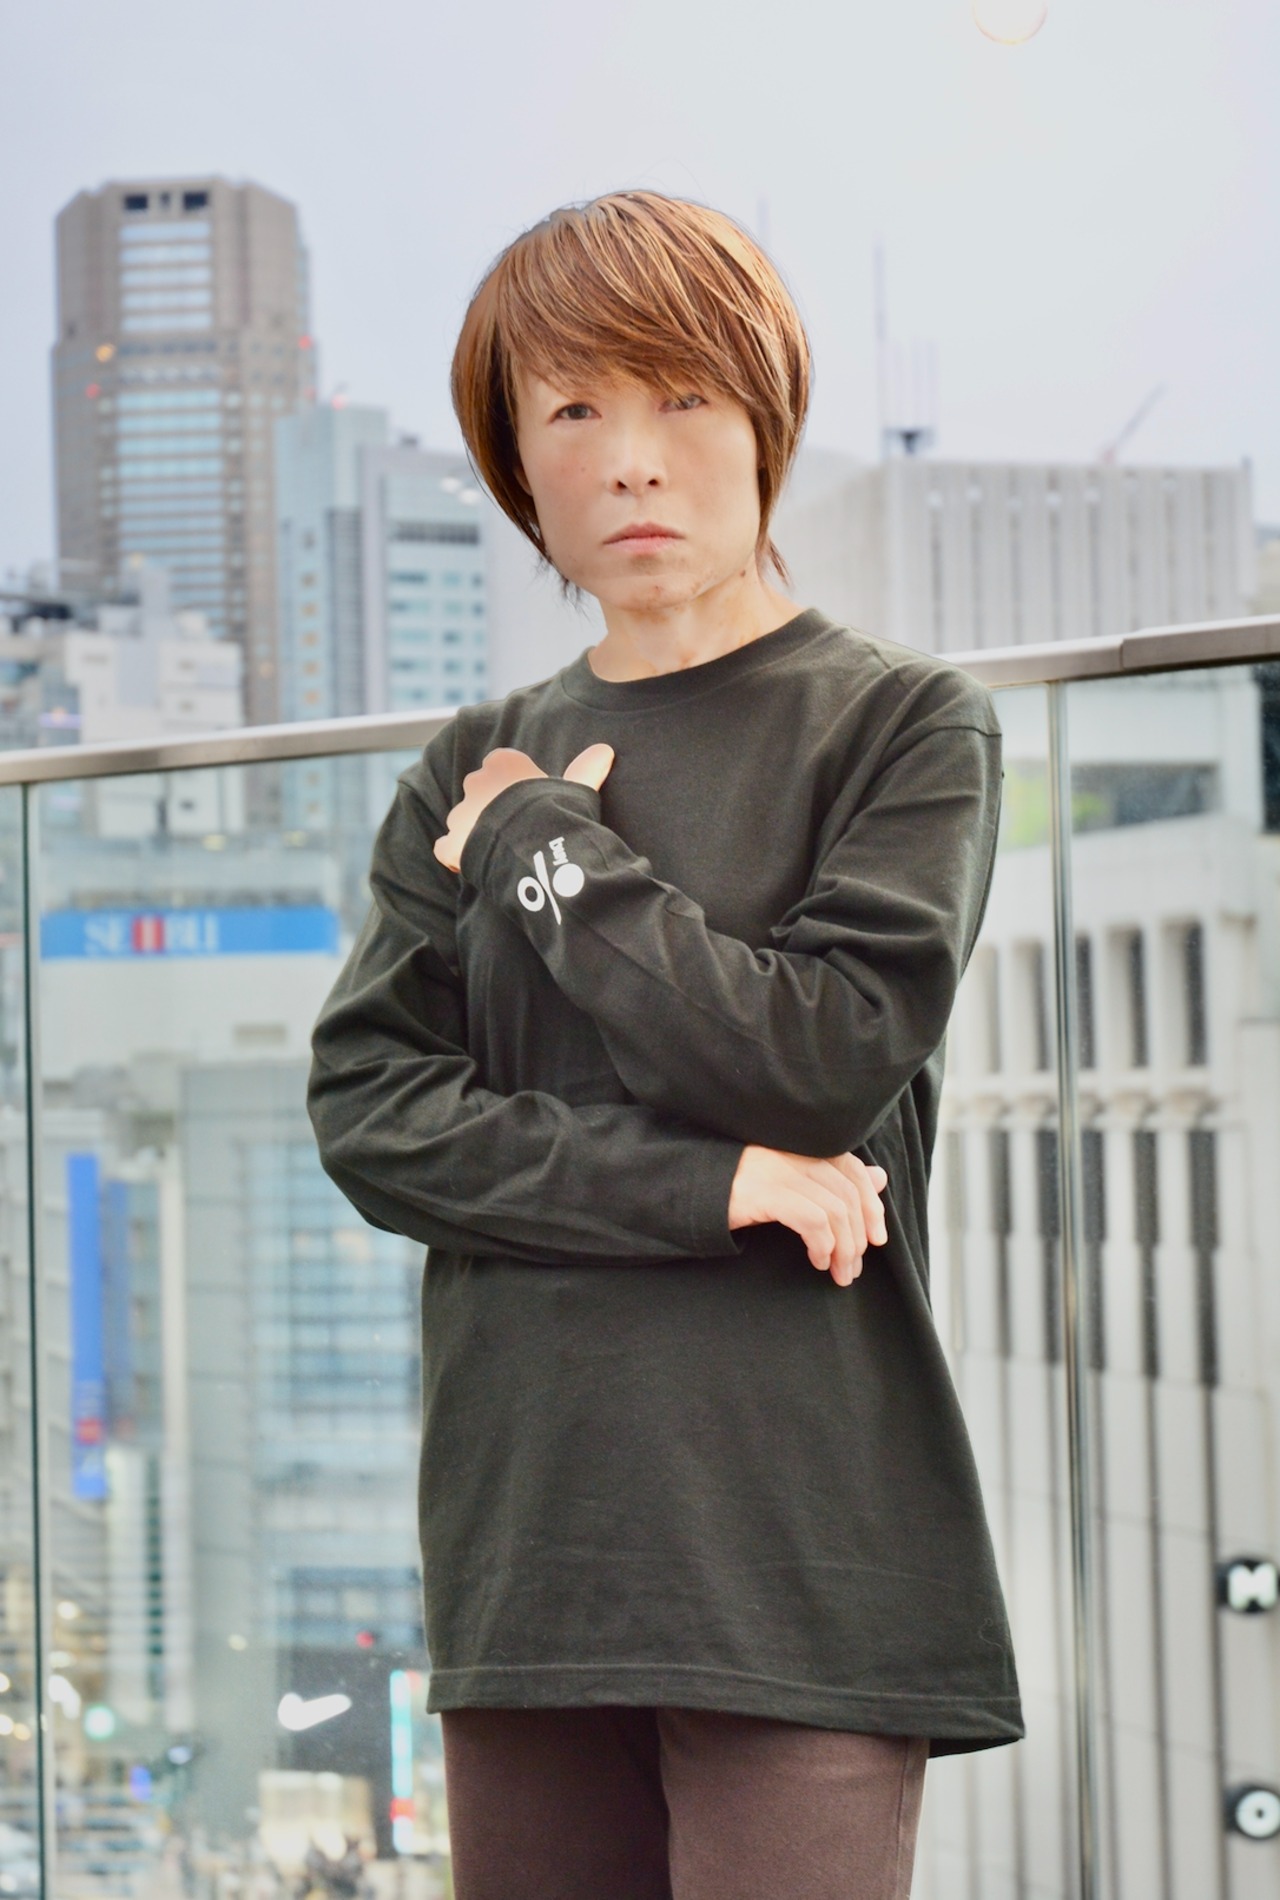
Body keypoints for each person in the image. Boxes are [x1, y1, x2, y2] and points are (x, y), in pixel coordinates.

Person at [308, 190, 1023, 1900]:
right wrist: (710, 1188)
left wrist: (546, 849)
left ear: (765, 418)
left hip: (802, 1552)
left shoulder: (902, 724)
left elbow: (820, 1057)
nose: (631, 459)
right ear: (518, 464)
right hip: (530, 1550)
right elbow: (373, 1115)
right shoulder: (463, 757)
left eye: (682, 397)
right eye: (573, 410)